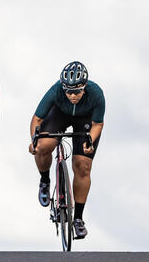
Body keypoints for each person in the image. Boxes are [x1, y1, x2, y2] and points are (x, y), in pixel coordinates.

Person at [28, 61, 104, 239]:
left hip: (85, 119)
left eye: (77, 91)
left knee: (82, 165)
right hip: (59, 114)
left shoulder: (96, 94)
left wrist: (90, 140)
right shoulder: (56, 91)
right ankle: (45, 180)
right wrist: (34, 140)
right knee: (42, 147)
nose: (72, 95)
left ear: (84, 87)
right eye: (68, 91)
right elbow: (37, 119)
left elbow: (98, 124)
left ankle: (78, 219)